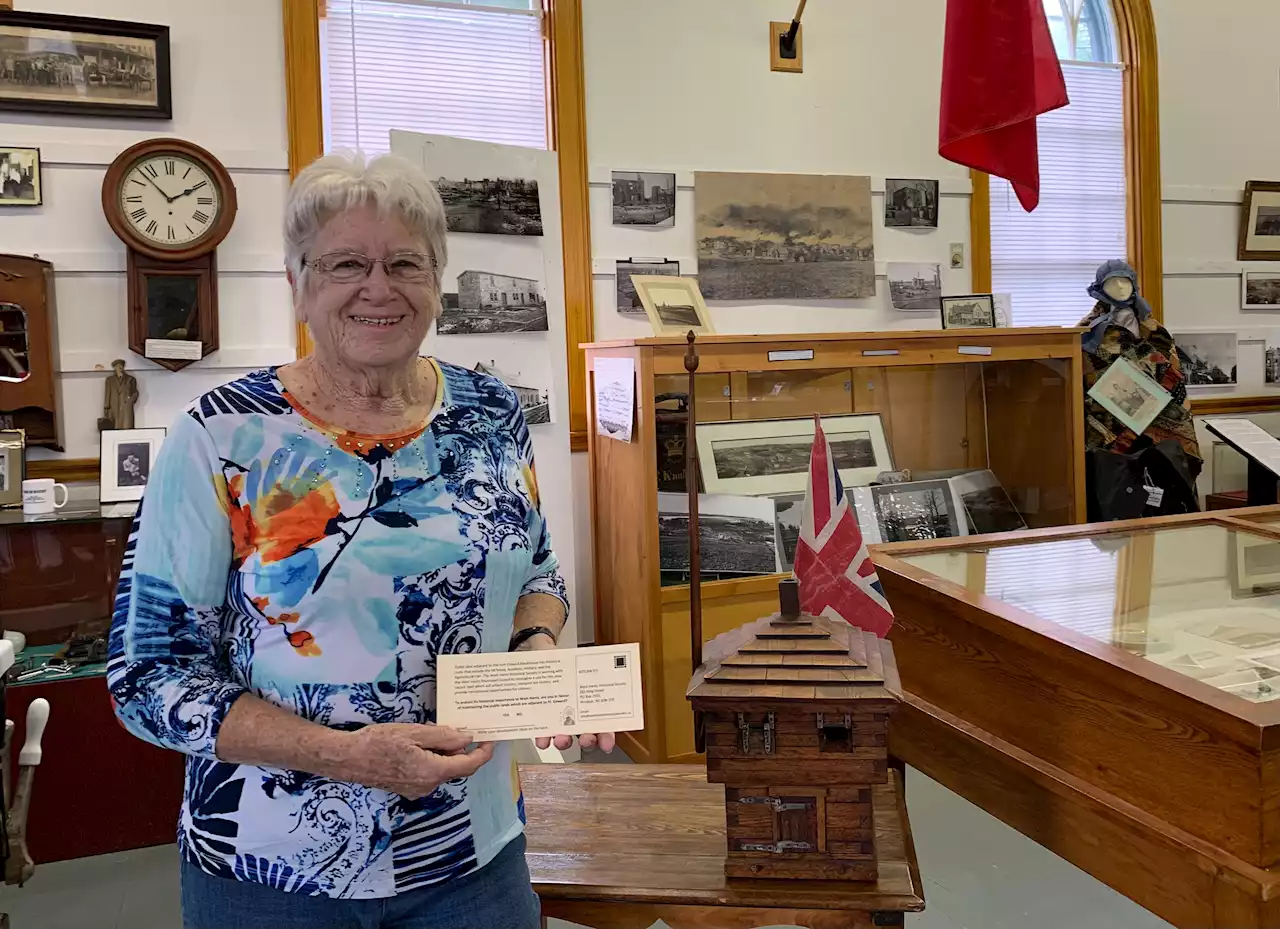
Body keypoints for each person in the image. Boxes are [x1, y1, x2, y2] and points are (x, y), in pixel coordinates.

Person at [107, 151, 612, 929]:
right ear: (297, 282)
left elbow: (538, 570)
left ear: (436, 280)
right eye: (346, 262)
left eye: (404, 262)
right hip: (270, 870)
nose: (378, 287)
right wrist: (345, 755)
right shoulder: (221, 436)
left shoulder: (491, 413)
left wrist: (538, 648)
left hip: (472, 856)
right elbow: (148, 679)